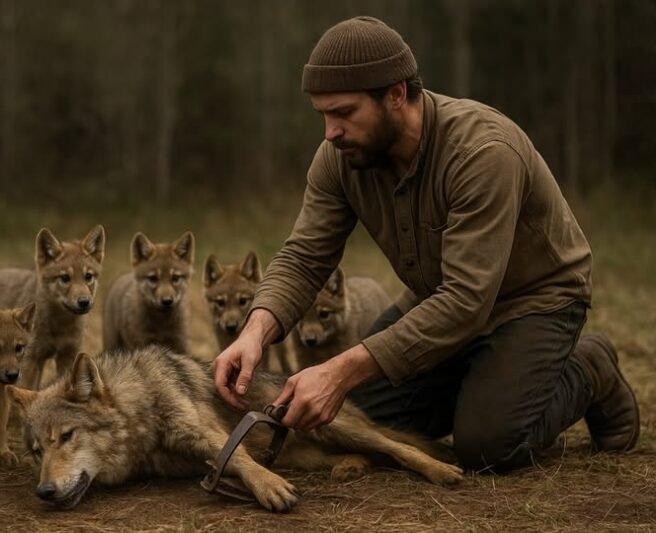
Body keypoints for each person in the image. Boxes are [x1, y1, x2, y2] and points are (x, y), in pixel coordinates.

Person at [212, 16, 639, 471]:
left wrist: (340, 370)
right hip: (437, 302)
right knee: (346, 418)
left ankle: (589, 369)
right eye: (323, 115)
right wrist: (254, 332)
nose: (329, 132)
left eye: (343, 113)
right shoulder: (341, 158)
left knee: (488, 446)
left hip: (533, 303)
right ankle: (483, 385)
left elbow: (468, 300)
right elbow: (304, 256)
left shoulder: (482, 152)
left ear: (396, 94)